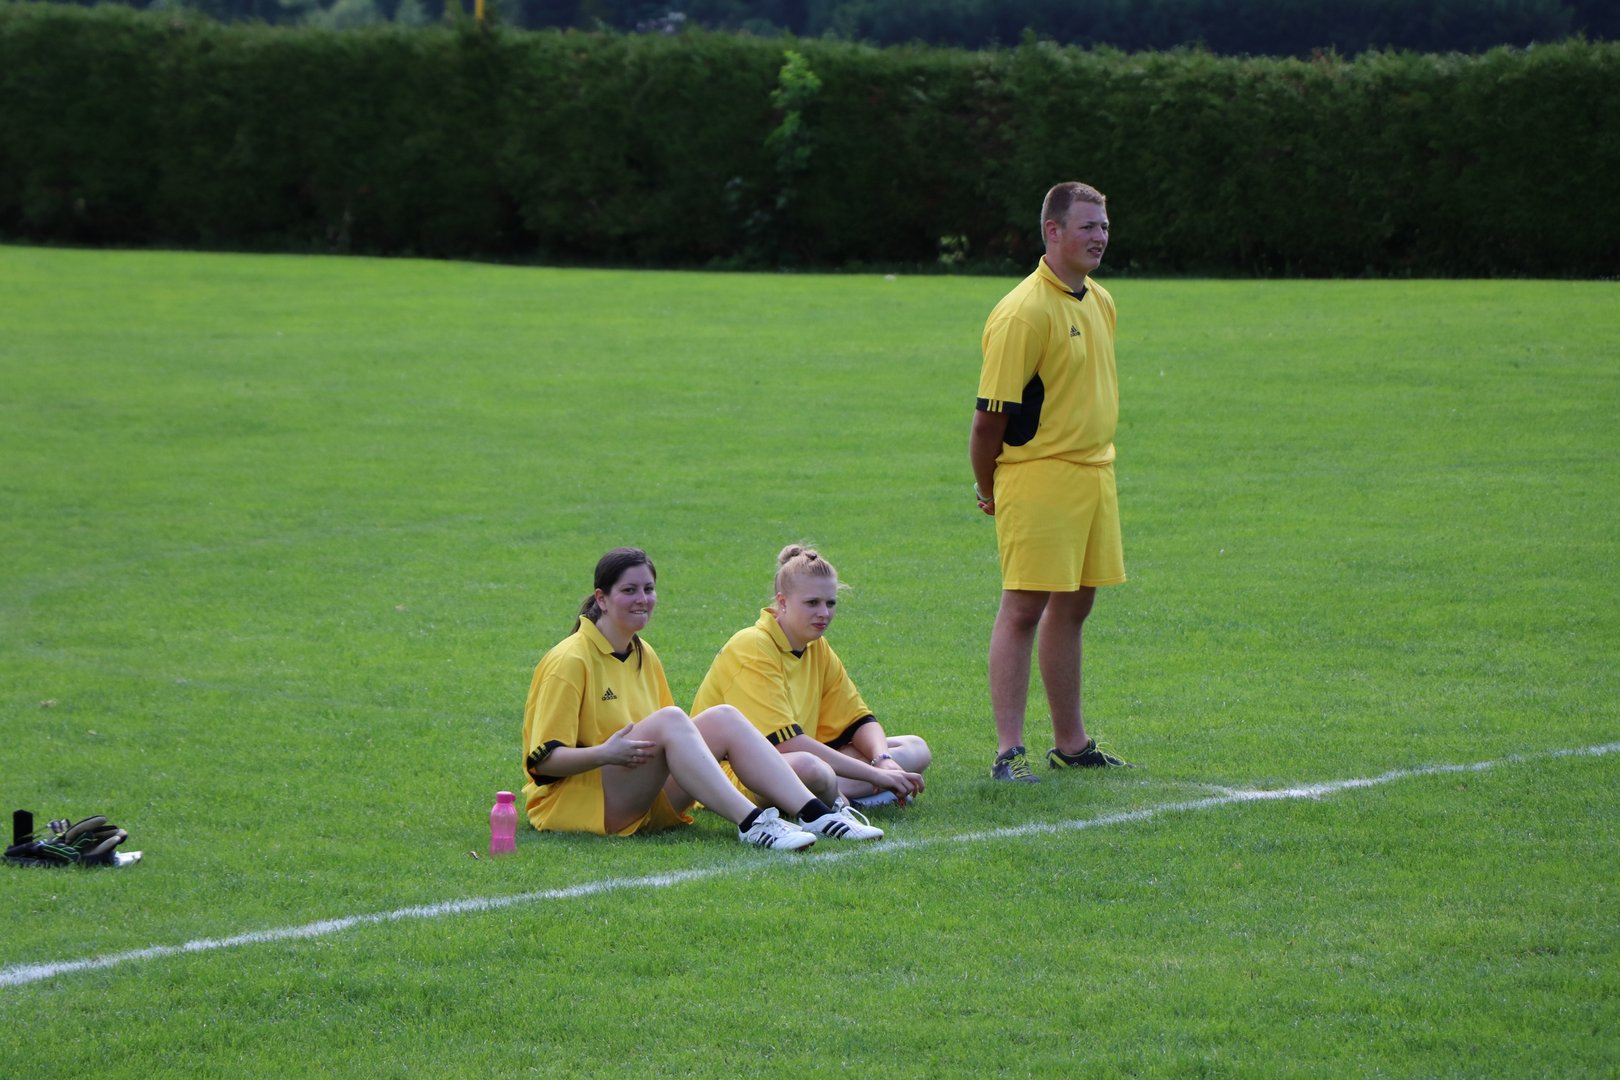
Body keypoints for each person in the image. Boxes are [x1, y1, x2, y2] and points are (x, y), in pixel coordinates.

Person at [521, 546, 883, 850]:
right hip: (583, 804)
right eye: (629, 590)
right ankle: (754, 823)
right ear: (601, 598)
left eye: (648, 589)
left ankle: (818, 814)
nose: (642, 599)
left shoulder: (643, 652)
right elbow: (544, 763)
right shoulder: (569, 659)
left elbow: (672, 742)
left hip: (644, 796)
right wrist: (605, 753)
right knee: (674, 720)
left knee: (723, 716)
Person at [969, 182, 1135, 783]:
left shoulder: (1100, 300)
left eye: (1104, 226)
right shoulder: (1023, 312)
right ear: (1053, 231)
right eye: (1088, 226)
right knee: (1023, 608)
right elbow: (988, 419)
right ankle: (1008, 752)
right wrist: (987, 486)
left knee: (1076, 605)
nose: (1100, 236)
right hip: (1039, 477)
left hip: (1095, 474)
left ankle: (1072, 743)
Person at [691, 544, 929, 811]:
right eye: (812, 603)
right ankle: (847, 798)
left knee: (915, 748)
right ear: (782, 602)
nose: (824, 613)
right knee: (810, 769)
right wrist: (875, 775)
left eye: (830, 603)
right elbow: (784, 745)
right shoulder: (753, 647)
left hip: (797, 758)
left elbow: (859, 720)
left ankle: (840, 794)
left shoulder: (816, 646)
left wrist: (883, 760)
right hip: (736, 775)